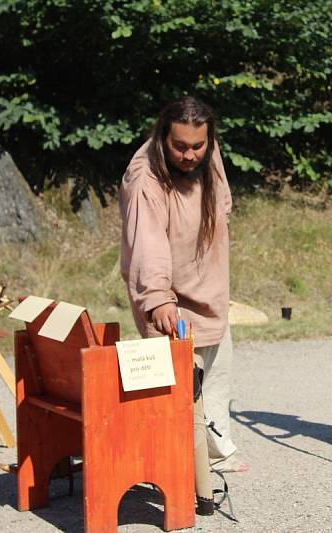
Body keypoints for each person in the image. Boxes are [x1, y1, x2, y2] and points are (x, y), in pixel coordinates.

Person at [119, 96, 247, 474]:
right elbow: (148, 242)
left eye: (198, 146)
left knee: (218, 369)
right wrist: (158, 298)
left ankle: (216, 452)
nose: (189, 155)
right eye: (179, 146)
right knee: (177, 387)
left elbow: (221, 200)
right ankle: (175, 462)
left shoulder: (208, 152)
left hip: (208, 284)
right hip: (168, 295)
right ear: (162, 137)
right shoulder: (146, 179)